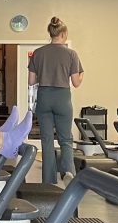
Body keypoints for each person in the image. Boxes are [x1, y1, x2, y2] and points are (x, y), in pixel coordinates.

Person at [28, 16, 84, 185]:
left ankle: (48, 181)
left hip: (44, 96)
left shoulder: (38, 53)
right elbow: (76, 83)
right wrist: (82, 74)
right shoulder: (71, 54)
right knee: (65, 139)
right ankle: (68, 174)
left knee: (46, 140)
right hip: (62, 98)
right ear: (64, 33)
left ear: (51, 33)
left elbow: (31, 81)